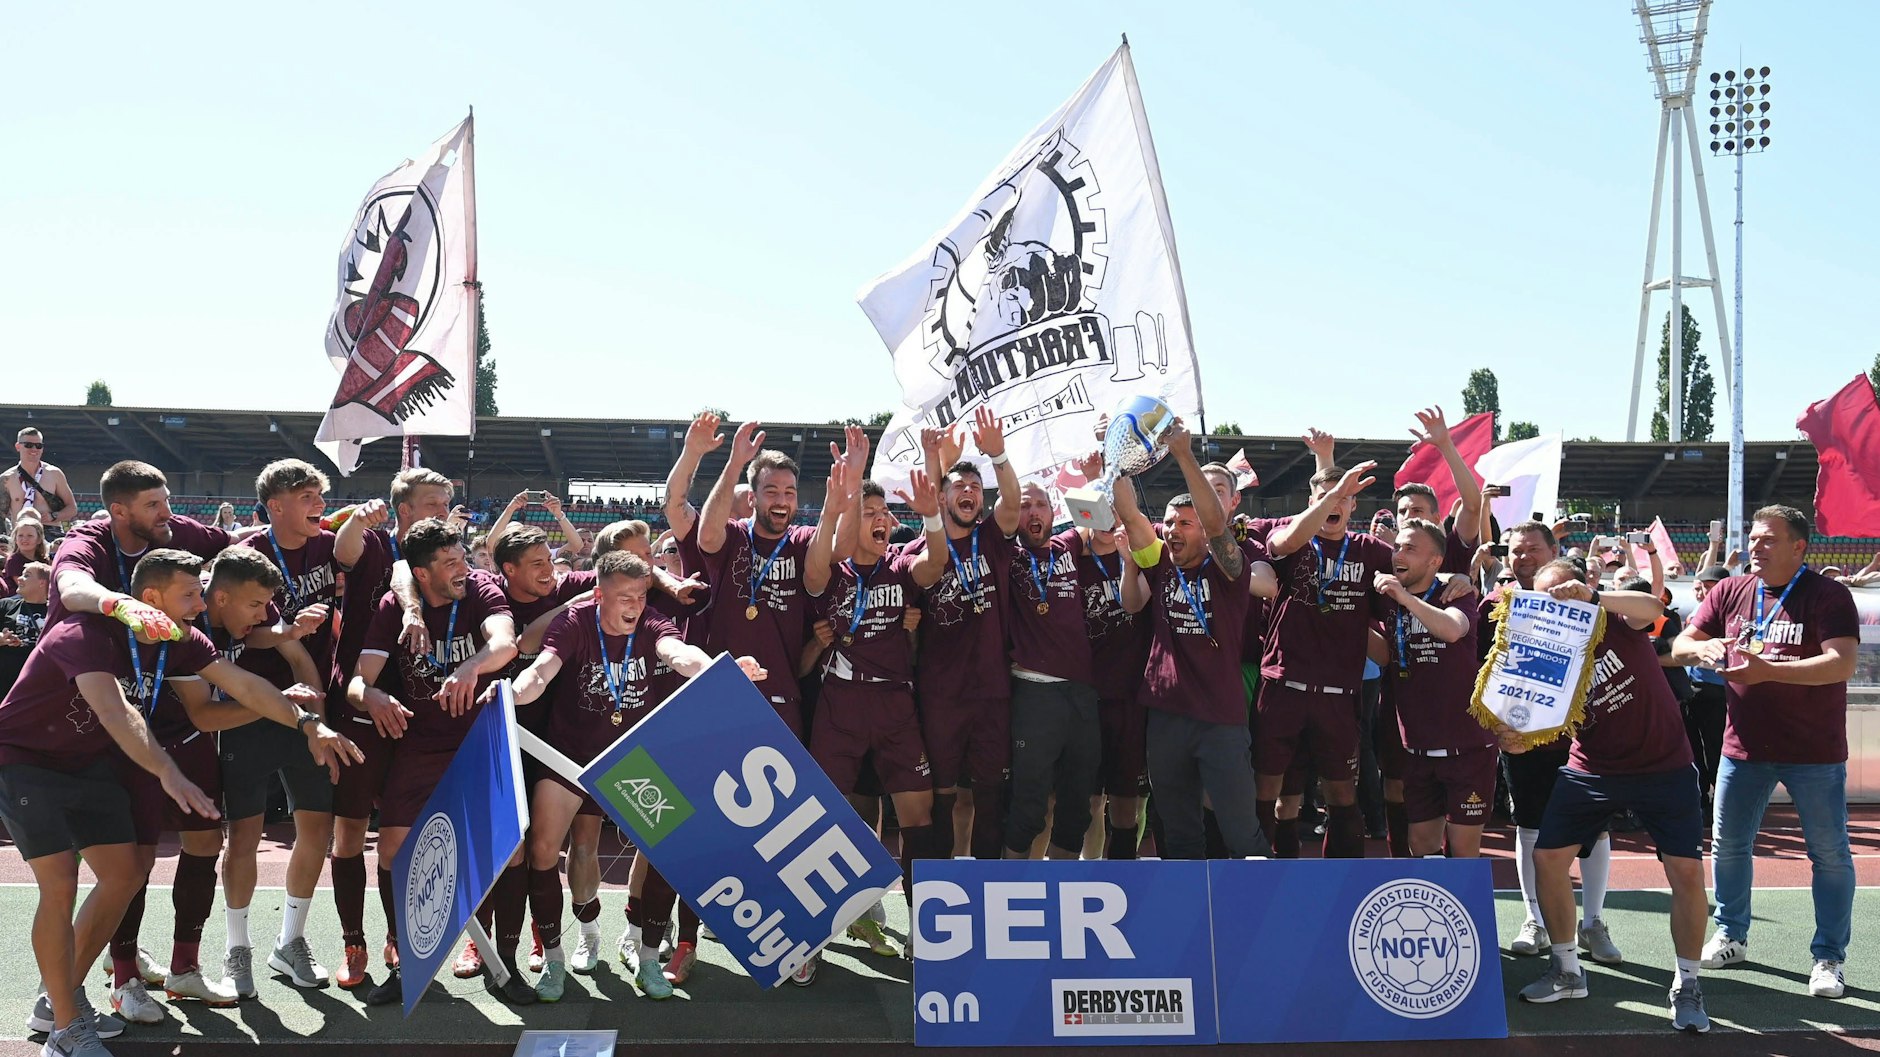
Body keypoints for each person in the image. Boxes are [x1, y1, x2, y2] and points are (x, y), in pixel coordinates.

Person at [502, 549, 763, 1001]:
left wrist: (718, 670)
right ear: (599, 594)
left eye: (641, 597)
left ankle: (646, 958)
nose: (635, 607)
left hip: (631, 758)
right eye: (625, 598)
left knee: (668, 847)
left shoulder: (652, 622)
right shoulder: (574, 622)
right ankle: (557, 958)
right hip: (570, 756)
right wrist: (512, 693)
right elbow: (542, 672)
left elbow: (678, 653)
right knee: (544, 851)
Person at [1501, 558, 1711, 1034]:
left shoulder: (1615, 616)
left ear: (1585, 585)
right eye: (1545, 597)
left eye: (1564, 591)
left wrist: (1593, 598)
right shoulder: (1544, 645)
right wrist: (1517, 736)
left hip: (1665, 765)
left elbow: (1653, 606)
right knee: (1548, 858)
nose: (1557, 603)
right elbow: (1535, 715)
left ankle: (1688, 982)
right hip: (1592, 768)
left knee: (1685, 870)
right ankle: (1567, 970)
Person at [1672, 505, 1859, 1000]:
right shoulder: (1731, 590)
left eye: (1769, 540)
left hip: (1814, 752)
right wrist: (1705, 651)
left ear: (1799, 547)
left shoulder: (1828, 594)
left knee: (1830, 856)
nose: (1756, 547)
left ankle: (1828, 958)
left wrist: (1769, 671)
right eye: (1754, 539)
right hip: (1744, 749)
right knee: (1729, 847)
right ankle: (1732, 934)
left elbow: (1841, 664)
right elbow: (1682, 643)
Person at [347, 518, 518, 1007]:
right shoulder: (392, 608)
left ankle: (495, 957)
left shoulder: (480, 590)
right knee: (393, 851)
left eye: (462, 556)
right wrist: (374, 697)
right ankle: (403, 957)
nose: (462, 567)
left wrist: (470, 667)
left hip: (480, 738)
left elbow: (504, 643)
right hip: (420, 745)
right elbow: (358, 684)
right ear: (421, 574)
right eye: (449, 563)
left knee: (501, 851)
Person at [799, 465, 949, 969]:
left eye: (885, 512)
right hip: (840, 702)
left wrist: (930, 518)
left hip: (894, 705)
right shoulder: (830, 570)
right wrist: (837, 500)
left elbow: (934, 565)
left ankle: (924, 930)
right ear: (848, 521)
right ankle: (811, 936)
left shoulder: (900, 563)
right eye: (870, 513)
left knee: (919, 817)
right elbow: (814, 574)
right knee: (822, 819)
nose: (882, 520)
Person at [1115, 419, 1278, 860]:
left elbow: (1216, 523)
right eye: (1169, 522)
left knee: (1242, 833)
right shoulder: (1160, 564)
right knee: (1180, 834)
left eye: (1185, 522)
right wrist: (1115, 460)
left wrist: (1183, 453)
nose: (1173, 530)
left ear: (1204, 530)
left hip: (1220, 722)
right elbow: (1130, 515)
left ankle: (1265, 920)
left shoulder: (1229, 569)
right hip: (1166, 719)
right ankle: (1187, 924)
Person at [205, 549, 352, 999]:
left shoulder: (255, 597)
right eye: (253, 606)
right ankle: (237, 948)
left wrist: (320, 727)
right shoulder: (199, 617)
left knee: (316, 828)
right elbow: (230, 694)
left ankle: (290, 941)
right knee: (243, 839)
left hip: (296, 720)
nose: (258, 613)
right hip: (242, 724)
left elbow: (298, 658)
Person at [1491, 521, 1620, 965]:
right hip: (1522, 739)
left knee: (1595, 828)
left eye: (1532, 548)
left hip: (1582, 739)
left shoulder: (1590, 602)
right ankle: (1535, 920)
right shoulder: (1499, 603)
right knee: (1528, 826)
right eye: (1514, 549)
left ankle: (1594, 922)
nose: (1522, 556)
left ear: (1553, 551)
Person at [1255, 460, 1398, 858]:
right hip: (1282, 686)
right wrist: (1331, 495)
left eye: (1344, 499)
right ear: (1311, 502)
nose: (1334, 506)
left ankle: (1342, 886)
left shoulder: (1373, 552)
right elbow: (1281, 545)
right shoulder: (1292, 538)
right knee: (1269, 791)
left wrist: (1453, 580)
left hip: (1338, 693)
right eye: (1325, 498)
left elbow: (1419, 570)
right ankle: (1263, 879)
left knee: (1340, 794)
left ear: (1354, 507)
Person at [1368, 518, 1494, 857]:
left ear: (1435, 560)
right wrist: (1348, 625)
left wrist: (1405, 599)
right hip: (1418, 749)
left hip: (1467, 748)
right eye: (1397, 547)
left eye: (1410, 548)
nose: (1398, 554)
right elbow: (1387, 656)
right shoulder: (1389, 598)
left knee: (1463, 851)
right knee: (1421, 846)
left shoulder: (1455, 592)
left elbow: (1453, 630)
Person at [1681, 565, 1732, 805]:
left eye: (1710, 587)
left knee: (1716, 748)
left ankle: (1719, 800)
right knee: (1694, 748)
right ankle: (1702, 798)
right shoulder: (1703, 610)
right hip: (1694, 688)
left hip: (1718, 689)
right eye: (1702, 587)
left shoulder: (1728, 612)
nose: (1705, 591)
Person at [3, 428, 77, 530]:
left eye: (38, 446)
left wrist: (54, 516)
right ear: (18, 446)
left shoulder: (54, 474)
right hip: (20, 535)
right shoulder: (6, 479)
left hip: (50, 533)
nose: (34, 449)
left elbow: (72, 508)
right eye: (28, 445)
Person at [0, 561, 51, 697]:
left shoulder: (55, 612)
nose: (20, 578)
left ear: (42, 582)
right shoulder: (6, 605)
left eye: (27, 575)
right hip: (4, 683)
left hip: (37, 684)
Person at [4, 512, 51, 596]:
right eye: (20, 535)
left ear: (39, 539)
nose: (24, 539)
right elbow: (23, 586)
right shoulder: (14, 560)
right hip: (18, 599)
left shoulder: (43, 560)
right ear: (15, 539)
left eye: (30, 535)